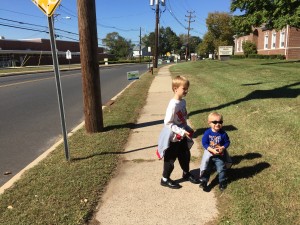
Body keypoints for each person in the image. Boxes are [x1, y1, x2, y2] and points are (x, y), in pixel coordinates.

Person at [157, 75, 198, 189]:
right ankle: (164, 179)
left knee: (185, 155)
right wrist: (180, 131)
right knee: (170, 158)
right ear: (175, 88)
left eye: (187, 88)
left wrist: (187, 128)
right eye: (184, 88)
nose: (186, 91)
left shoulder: (182, 102)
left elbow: (182, 119)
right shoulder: (173, 104)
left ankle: (186, 173)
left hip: (182, 134)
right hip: (173, 137)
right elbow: (168, 123)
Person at [199, 112, 232, 191]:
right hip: (209, 154)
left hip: (219, 155)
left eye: (220, 122)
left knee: (221, 169)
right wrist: (211, 149)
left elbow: (227, 142)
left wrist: (223, 147)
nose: (218, 124)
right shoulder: (207, 133)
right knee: (206, 168)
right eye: (215, 122)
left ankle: (222, 182)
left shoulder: (223, 133)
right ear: (209, 123)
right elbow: (204, 143)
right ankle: (204, 181)